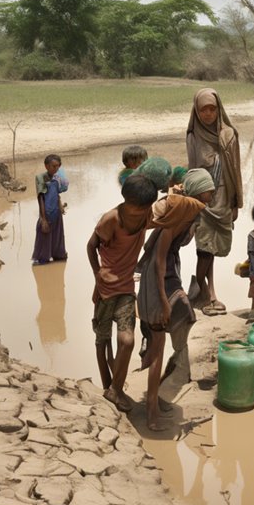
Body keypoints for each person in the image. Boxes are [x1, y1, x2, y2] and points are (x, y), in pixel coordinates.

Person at [138, 168, 214, 431]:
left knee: (184, 316)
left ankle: (160, 389)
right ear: (195, 192)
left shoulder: (190, 211)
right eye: (208, 191)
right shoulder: (178, 214)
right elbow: (158, 258)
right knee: (160, 338)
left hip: (170, 272)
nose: (212, 195)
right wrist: (161, 299)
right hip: (156, 277)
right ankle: (150, 411)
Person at [87, 174, 158, 410]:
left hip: (127, 288)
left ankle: (115, 389)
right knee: (102, 340)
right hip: (106, 290)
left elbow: (170, 212)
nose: (138, 215)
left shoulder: (148, 215)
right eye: (134, 209)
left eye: (142, 210)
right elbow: (91, 245)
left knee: (126, 340)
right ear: (124, 200)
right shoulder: (111, 220)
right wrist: (98, 275)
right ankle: (108, 386)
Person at [186, 88, 243, 316]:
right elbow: (192, 171)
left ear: (219, 109)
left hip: (223, 198)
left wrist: (236, 202)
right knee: (203, 250)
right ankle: (202, 295)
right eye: (203, 110)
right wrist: (191, 204)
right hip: (202, 201)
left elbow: (236, 171)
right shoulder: (193, 136)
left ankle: (209, 294)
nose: (208, 114)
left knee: (214, 250)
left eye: (212, 109)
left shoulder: (229, 135)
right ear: (197, 111)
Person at [32, 154, 69, 265]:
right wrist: (43, 218)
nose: (56, 169)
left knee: (58, 236)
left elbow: (56, 194)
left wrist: (61, 206)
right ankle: (43, 258)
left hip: (56, 212)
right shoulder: (40, 178)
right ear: (46, 166)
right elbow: (41, 198)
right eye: (53, 166)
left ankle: (58, 256)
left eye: (58, 166)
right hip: (46, 212)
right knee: (45, 234)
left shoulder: (57, 177)